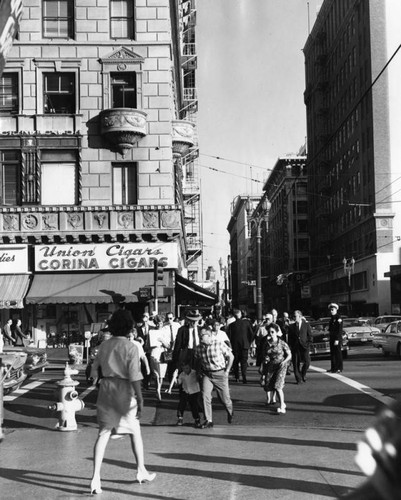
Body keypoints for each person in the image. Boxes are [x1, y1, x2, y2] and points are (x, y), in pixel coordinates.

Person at [90, 309, 155, 494]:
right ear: (129, 327)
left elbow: (94, 369)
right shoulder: (131, 347)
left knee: (103, 433)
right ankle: (141, 470)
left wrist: (96, 381)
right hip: (124, 391)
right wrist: (140, 398)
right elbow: (134, 375)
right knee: (135, 431)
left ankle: (95, 478)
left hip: (106, 389)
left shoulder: (104, 345)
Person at [194, 327, 234, 429]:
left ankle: (230, 410)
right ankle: (208, 420)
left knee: (224, 399)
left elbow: (231, 356)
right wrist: (199, 372)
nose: (200, 337)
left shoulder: (219, 344)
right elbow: (197, 360)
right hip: (207, 374)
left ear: (209, 335)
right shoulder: (199, 347)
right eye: (200, 335)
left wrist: (227, 371)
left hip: (220, 373)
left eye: (202, 335)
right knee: (205, 396)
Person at [260, 323, 292, 413]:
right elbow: (265, 355)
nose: (271, 334)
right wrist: (265, 360)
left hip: (281, 365)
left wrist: (284, 361)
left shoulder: (282, 343)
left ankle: (282, 406)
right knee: (270, 385)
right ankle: (279, 402)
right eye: (269, 332)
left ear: (277, 332)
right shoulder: (266, 344)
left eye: (272, 332)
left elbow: (289, 355)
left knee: (278, 386)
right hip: (270, 366)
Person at [167, 362, 202, 428]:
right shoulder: (182, 374)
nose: (186, 370)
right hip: (185, 391)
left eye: (187, 368)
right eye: (184, 369)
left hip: (194, 392)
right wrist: (174, 378)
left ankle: (197, 419)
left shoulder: (194, 373)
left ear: (190, 368)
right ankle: (180, 418)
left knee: (194, 406)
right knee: (181, 405)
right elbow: (178, 383)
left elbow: (199, 378)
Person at [226, 308, 254, 383]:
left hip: (235, 345)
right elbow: (251, 334)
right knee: (244, 361)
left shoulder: (231, 325)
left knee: (235, 362)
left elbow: (229, 336)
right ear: (240, 315)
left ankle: (237, 377)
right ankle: (244, 376)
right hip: (244, 345)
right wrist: (249, 342)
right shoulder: (247, 323)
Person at [148, 314, 171, 400]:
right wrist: (151, 344)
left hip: (162, 353)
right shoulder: (151, 332)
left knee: (161, 375)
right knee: (156, 374)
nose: (159, 325)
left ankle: (158, 389)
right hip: (154, 353)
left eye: (160, 323)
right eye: (157, 323)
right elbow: (147, 346)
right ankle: (157, 390)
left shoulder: (165, 332)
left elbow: (168, 346)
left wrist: (162, 340)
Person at [288, 310, 312, 383]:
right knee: (296, 363)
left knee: (307, 362)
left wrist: (308, 344)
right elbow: (290, 338)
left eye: (295, 316)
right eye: (293, 316)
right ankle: (298, 379)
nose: (294, 318)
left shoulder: (306, 324)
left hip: (304, 346)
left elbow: (310, 336)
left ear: (300, 316)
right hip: (295, 347)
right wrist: (290, 347)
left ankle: (303, 374)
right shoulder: (291, 326)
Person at [327, 303, 343, 373]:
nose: (331, 311)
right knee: (333, 353)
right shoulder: (332, 318)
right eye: (330, 310)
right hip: (332, 338)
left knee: (338, 353)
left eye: (332, 310)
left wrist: (337, 339)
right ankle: (333, 367)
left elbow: (339, 330)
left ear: (336, 310)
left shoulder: (338, 318)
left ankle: (339, 367)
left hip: (337, 338)